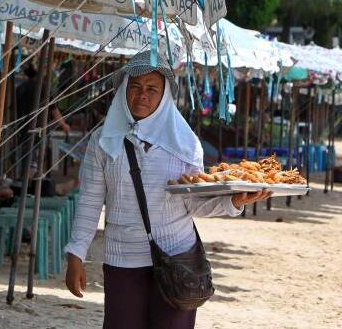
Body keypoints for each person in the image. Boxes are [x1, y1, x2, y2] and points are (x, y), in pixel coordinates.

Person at [64, 50, 271, 329]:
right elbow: (89, 201)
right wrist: (76, 254)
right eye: (135, 87)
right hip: (123, 259)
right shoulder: (103, 141)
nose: (142, 95)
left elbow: (194, 202)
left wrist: (234, 201)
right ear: (123, 90)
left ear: (165, 96)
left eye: (152, 88)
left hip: (178, 259)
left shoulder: (185, 143)